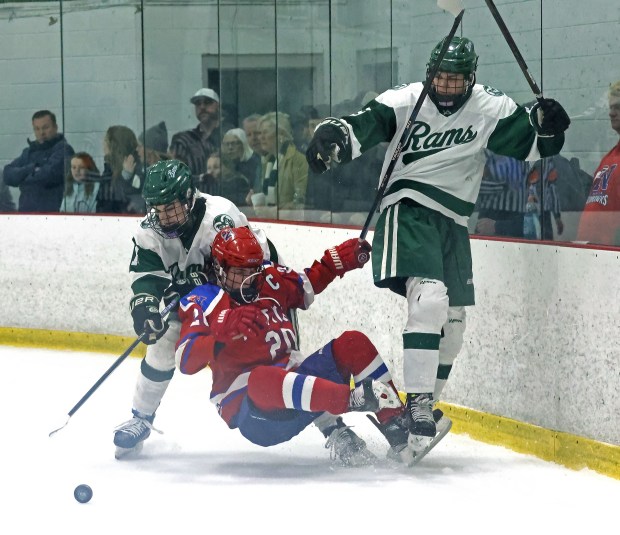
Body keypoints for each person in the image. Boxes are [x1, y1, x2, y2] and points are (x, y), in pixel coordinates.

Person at [305, 36, 570, 455]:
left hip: (452, 222)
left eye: (456, 80)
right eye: (441, 78)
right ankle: (420, 403)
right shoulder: (407, 99)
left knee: (454, 324)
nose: (446, 86)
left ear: (471, 79)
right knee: (429, 299)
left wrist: (550, 125)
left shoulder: (490, 106)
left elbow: (533, 144)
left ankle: (417, 417)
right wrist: (333, 137)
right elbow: (361, 124)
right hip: (406, 209)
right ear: (429, 74)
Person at [175, 226, 408, 465]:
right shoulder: (205, 298)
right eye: (239, 271)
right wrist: (218, 336)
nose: (249, 279)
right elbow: (184, 359)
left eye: (253, 270)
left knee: (352, 342)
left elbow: (306, 285)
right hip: (257, 416)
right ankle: (350, 400)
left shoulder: (270, 278)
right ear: (220, 269)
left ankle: (398, 428)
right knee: (260, 378)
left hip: (302, 393)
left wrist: (336, 261)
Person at [112, 159, 282, 459]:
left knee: (277, 353)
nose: (163, 217)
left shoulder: (221, 217)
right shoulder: (149, 232)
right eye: (158, 209)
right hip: (201, 303)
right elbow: (148, 278)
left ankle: (330, 425)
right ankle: (141, 418)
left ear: (190, 197)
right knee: (164, 342)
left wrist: (201, 278)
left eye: (171, 208)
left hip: (247, 294)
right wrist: (146, 308)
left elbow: (246, 265)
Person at [3, 110, 74, 212]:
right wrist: (31, 168)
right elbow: (7, 175)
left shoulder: (64, 150)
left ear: (55, 127)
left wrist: (21, 177)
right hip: (25, 216)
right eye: (37, 129)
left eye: (45, 127)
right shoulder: (28, 152)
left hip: (52, 217)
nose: (41, 133)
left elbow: (47, 175)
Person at [576, 81, 620, 246]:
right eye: (611, 107)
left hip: (610, 257)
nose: (611, 113)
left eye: (618, 107)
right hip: (592, 255)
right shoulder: (609, 158)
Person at [257, 112, 308, 210]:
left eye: (265, 132)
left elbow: (301, 200)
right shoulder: (267, 161)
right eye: (260, 133)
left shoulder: (299, 160)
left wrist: (279, 210)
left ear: (281, 135)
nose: (261, 137)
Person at [169, 88, 220, 183]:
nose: (202, 107)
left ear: (218, 106)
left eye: (207, 102)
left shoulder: (228, 136)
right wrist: (201, 179)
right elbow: (176, 177)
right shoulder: (184, 141)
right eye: (198, 104)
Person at [96, 125, 144, 214]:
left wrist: (127, 177)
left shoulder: (132, 166)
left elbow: (133, 195)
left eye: (106, 140)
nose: (103, 144)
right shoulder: (109, 166)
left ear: (114, 144)